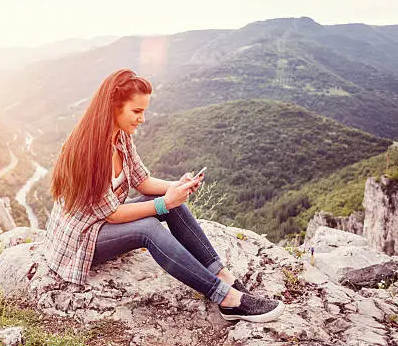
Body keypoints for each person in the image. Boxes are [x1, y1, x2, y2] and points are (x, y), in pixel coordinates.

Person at [45, 68, 285, 322]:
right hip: (82, 240)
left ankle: (224, 278)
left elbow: (142, 181)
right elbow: (112, 215)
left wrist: (175, 187)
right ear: (113, 107)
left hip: (101, 223)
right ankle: (227, 300)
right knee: (148, 227)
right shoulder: (90, 152)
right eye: (136, 111)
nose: (142, 119)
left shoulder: (120, 137)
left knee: (173, 205)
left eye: (144, 111)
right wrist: (163, 202)